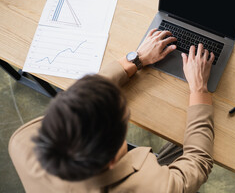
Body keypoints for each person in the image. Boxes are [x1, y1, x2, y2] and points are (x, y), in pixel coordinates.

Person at [9, 29, 215, 193]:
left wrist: (136, 59)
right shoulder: (152, 187)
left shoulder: (22, 142)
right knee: (195, 138)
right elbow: (198, 161)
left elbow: (78, 100)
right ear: (114, 158)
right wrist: (198, 89)